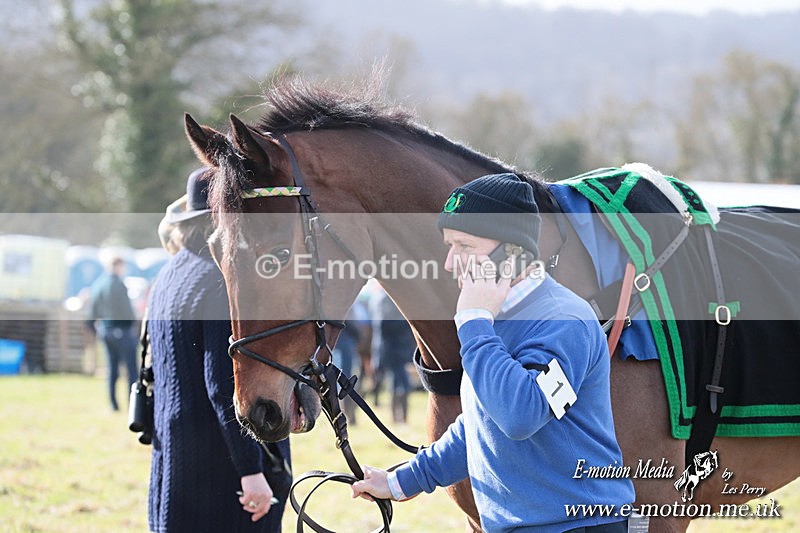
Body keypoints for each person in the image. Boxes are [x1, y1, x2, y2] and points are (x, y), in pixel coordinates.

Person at [351, 173, 635, 532]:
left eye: (465, 246)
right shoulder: (494, 317)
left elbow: (519, 416)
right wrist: (400, 482)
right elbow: (481, 422)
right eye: (449, 245)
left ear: (514, 252)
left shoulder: (563, 320)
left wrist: (473, 323)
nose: (451, 263)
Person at [147, 168, 291, 533]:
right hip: (220, 468)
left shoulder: (170, 273)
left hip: (175, 454)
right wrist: (252, 471)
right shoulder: (220, 279)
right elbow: (222, 385)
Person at [88, 254, 138, 411]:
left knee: (112, 369)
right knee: (131, 370)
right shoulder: (117, 284)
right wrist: (133, 326)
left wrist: (93, 328)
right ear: (117, 266)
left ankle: (113, 404)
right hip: (122, 331)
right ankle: (134, 404)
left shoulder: (97, 284)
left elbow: (92, 312)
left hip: (105, 331)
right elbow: (126, 310)